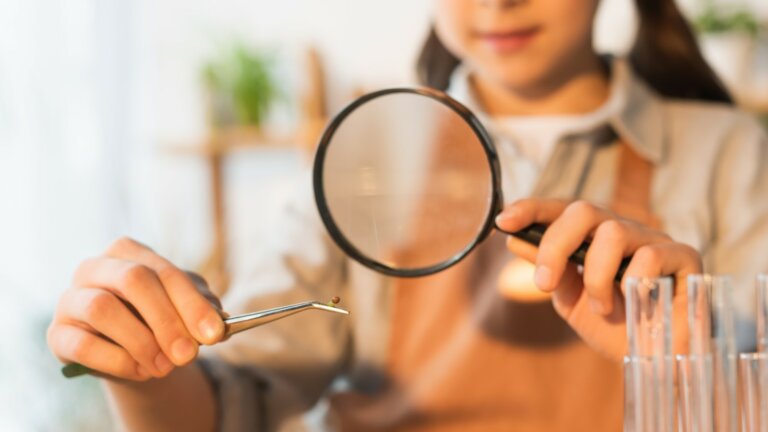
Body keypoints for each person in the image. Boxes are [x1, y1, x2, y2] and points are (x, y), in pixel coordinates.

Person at [47, 0, 768, 431]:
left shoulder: (731, 156)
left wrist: (701, 369)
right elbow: (230, 408)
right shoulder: (362, 159)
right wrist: (140, 362)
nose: (497, 1)